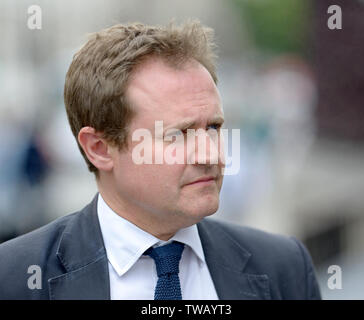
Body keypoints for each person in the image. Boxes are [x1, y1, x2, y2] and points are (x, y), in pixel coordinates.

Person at [0, 20, 321, 300]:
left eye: (213, 127)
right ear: (98, 148)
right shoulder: (16, 278)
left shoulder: (283, 268)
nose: (211, 154)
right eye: (178, 134)